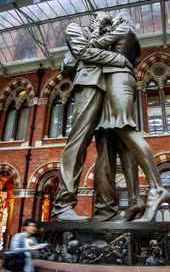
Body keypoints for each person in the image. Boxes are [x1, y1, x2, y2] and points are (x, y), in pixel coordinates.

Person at [52, 11, 134, 222]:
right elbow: (83, 52)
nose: (106, 24)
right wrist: (119, 59)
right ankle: (62, 206)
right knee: (78, 140)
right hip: (88, 83)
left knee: (108, 149)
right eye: (102, 20)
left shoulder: (110, 36)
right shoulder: (75, 29)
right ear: (92, 19)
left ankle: (105, 210)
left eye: (108, 22)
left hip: (110, 88)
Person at [91, 11, 170, 222]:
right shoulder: (133, 38)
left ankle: (156, 188)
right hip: (123, 80)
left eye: (114, 19)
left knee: (125, 129)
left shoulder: (122, 28)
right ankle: (136, 198)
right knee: (122, 140)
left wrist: (101, 25)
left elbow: (95, 45)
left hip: (117, 81)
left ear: (120, 19)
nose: (112, 22)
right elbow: (134, 60)